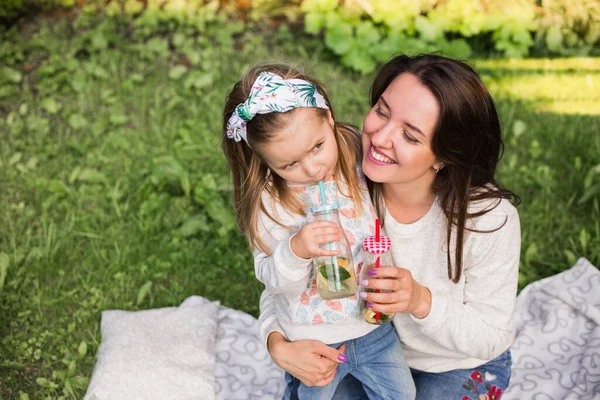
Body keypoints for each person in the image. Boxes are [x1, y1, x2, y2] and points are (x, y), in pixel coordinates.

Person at [259, 54, 521, 400]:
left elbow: (492, 334)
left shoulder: (488, 219)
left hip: (455, 364)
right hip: (369, 346)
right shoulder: (342, 180)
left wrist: (420, 300)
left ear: (445, 155)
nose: (380, 138)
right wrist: (276, 343)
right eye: (382, 111)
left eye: (410, 136)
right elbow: (284, 274)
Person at [221, 63, 416, 399]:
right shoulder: (271, 203)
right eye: (289, 164)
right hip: (312, 341)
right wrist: (297, 250)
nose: (312, 168)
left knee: (402, 394)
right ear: (264, 161)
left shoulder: (354, 155)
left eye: (316, 146)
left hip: (373, 327)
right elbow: (274, 281)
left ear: (328, 118)